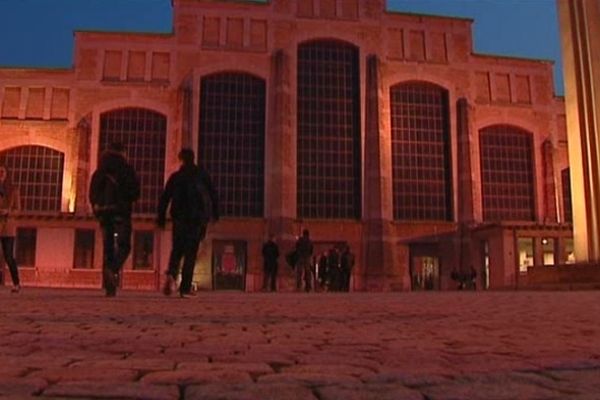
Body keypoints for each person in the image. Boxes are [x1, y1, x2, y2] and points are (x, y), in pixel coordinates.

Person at [157, 148, 219, 298]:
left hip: (179, 218)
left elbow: (165, 197)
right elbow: (212, 194)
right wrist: (215, 214)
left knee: (177, 250)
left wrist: (160, 218)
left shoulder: (176, 177)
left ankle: (171, 273)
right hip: (196, 219)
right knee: (191, 253)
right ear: (193, 158)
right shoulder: (202, 175)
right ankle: (185, 288)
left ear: (181, 159)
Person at [89, 142, 140, 297]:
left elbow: (92, 193)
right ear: (122, 152)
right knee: (124, 246)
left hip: (104, 213)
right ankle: (113, 269)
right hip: (121, 212)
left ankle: (109, 288)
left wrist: (96, 208)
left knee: (108, 248)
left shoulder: (100, 171)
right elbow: (135, 192)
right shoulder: (127, 169)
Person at [0, 166, 21, 293]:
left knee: (9, 256)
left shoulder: (14, 190)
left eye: (3, 172)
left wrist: (8, 212)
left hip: (8, 227)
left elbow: (18, 209)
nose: (1, 175)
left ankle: (16, 283)